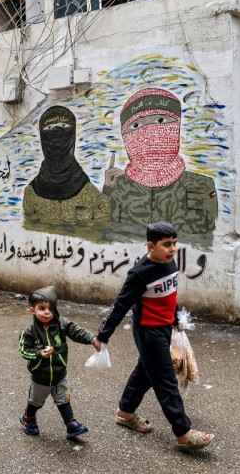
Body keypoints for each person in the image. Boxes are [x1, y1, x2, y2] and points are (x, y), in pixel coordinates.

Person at [92, 220, 215, 451]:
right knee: (166, 380)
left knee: (146, 373)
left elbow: (170, 294)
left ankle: (125, 412)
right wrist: (103, 335)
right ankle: (184, 433)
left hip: (165, 328)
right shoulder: (139, 274)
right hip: (149, 332)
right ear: (150, 245)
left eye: (175, 243)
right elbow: (119, 305)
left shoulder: (170, 264)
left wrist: (178, 319)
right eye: (166, 244)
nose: (172, 249)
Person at [103, 88, 218, 247]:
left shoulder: (201, 186)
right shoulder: (119, 187)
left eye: (161, 120)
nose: (149, 131)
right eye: (136, 125)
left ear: (176, 127)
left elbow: (209, 242)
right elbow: (103, 234)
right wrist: (107, 190)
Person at [18, 285, 99, 440]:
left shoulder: (61, 323)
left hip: (60, 372)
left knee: (63, 399)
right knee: (36, 401)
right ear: (33, 310)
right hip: (40, 376)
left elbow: (76, 331)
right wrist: (39, 353)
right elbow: (23, 350)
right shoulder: (29, 331)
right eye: (42, 308)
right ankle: (28, 418)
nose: (47, 312)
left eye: (50, 308)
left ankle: (71, 425)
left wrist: (91, 338)